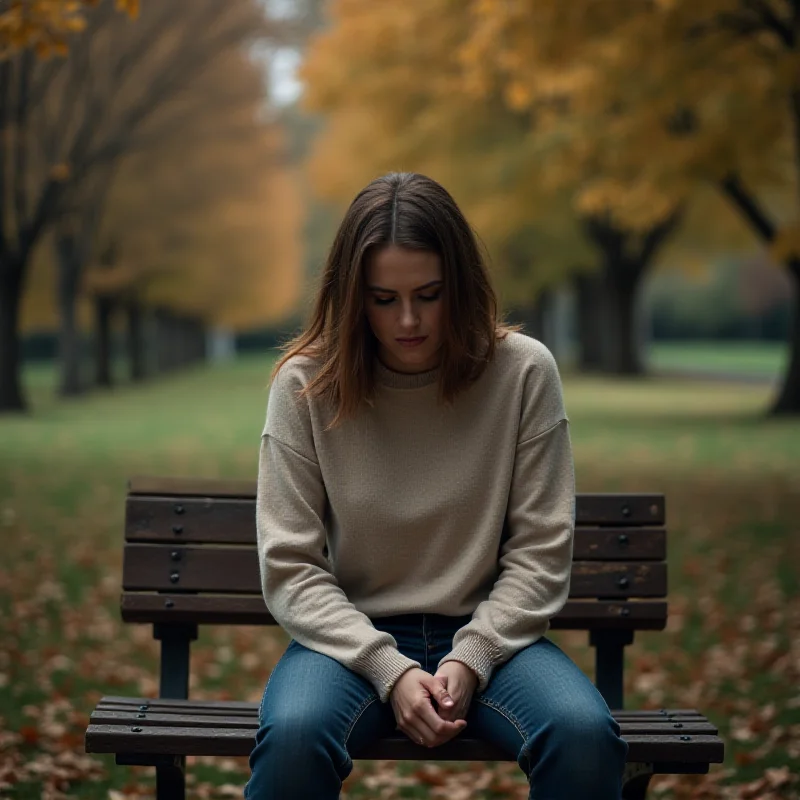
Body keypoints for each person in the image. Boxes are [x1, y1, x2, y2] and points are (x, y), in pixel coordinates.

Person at [245, 172, 628, 799]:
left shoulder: (523, 373)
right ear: (351, 297)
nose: (408, 320)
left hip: (495, 641)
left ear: (463, 285)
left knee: (584, 737)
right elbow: (291, 565)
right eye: (382, 299)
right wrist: (387, 668)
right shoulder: (304, 386)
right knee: (292, 739)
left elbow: (539, 550)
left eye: (429, 294)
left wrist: (469, 657)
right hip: (348, 642)